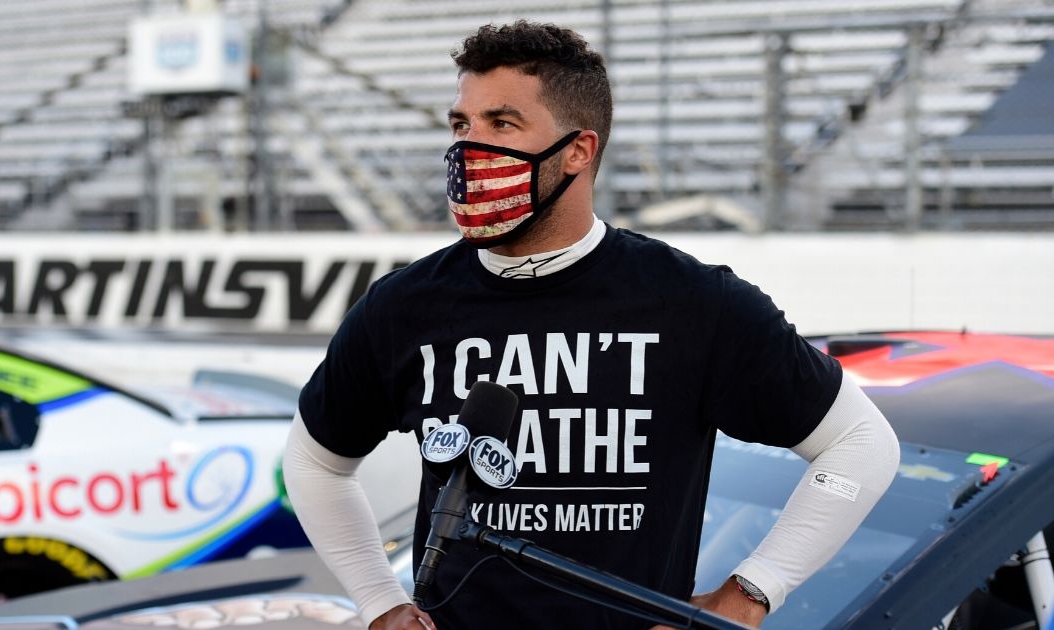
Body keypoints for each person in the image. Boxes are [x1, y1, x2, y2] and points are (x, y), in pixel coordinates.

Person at [284, 20, 899, 630]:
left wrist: (751, 593)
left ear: (579, 149)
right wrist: (378, 601)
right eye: (460, 124)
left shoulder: (692, 302)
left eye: (501, 124)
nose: (468, 149)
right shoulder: (403, 306)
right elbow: (314, 462)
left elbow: (861, 447)